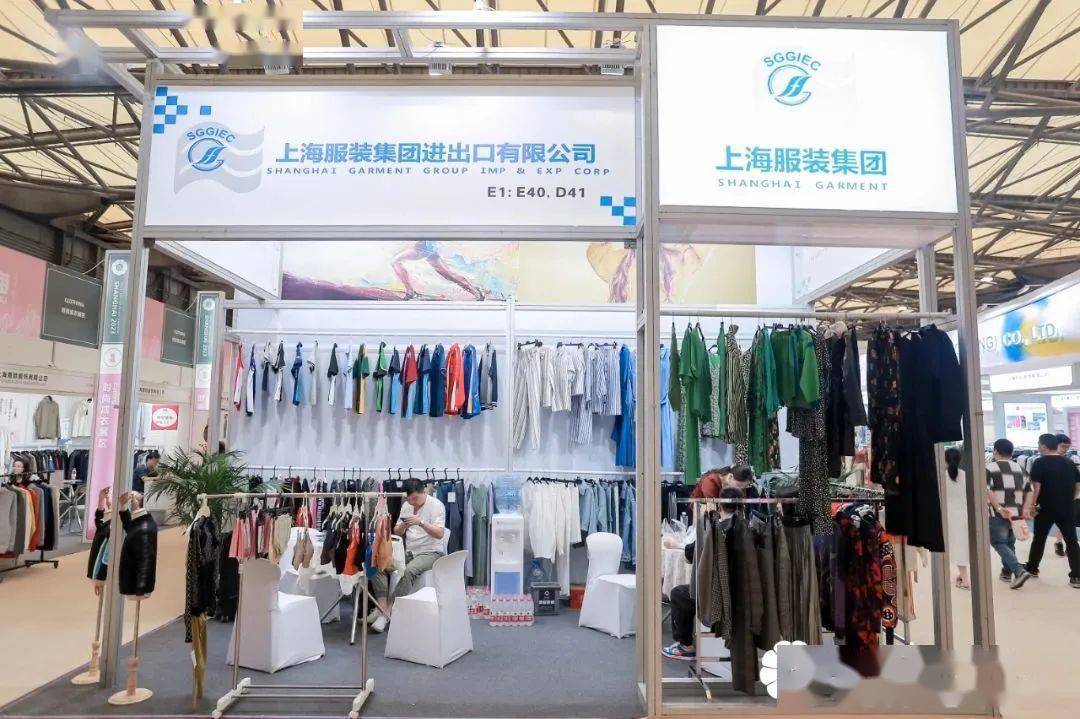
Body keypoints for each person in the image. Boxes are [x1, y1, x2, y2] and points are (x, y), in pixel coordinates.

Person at [662, 486, 743, 661]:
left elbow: (690, 553)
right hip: (741, 589)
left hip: (717, 594)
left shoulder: (713, 529)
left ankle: (685, 645)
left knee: (679, 594)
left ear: (719, 505)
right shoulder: (747, 527)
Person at [369, 478, 447, 632]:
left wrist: (421, 522)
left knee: (409, 571)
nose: (412, 502)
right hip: (409, 551)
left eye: (415, 499)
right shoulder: (407, 505)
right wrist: (404, 525)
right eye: (409, 499)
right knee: (377, 563)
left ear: (423, 492)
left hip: (431, 552)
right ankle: (381, 607)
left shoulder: (436, 505)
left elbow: (439, 534)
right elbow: (397, 532)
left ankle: (388, 613)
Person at [1024, 433, 1080, 588]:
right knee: (1072, 541)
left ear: (1043, 445)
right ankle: (1076, 576)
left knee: (1039, 539)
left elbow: (1036, 487)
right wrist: (1071, 500)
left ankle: (1032, 568)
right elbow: (1078, 486)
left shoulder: (1039, 462)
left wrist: (1033, 505)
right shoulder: (1069, 462)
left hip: (1045, 508)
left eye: (1038, 444)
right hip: (1067, 508)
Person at [984, 438, 1031, 587]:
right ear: (1011, 453)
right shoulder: (1020, 468)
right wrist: (1026, 508)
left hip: (998, 513)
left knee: (999, 542)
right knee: (1010, 543)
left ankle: (1019, 571)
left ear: (995, 451)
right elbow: (1029, 490)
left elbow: (987, 490)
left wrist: (998, 507)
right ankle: (1006, 572)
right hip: (1016, 513)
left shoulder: (989, 468)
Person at [943, 447, 971, 589]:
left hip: (948, 515)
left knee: (956, 546)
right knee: (962, 545)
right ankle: (962, 575)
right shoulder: (966, 475)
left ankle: (965, 580)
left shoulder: (942, 476)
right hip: (965, 513)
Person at [1052, 434, 1079, 557]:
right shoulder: (1045, 461)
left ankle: (1063, 543)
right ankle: (1061, 542)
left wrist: (1075, 496)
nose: (1065, 449)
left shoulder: (1069, 462)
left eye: (1067, 447)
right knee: (1063, 522)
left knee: (1068, 522)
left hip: (1069, 497)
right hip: (1052, 498)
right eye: (1063, 446)